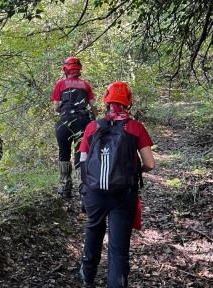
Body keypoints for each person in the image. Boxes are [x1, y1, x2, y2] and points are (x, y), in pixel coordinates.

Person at [78, 81, 155, 288]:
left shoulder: (92, 127)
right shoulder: (136, 127)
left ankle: (87, 275)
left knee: (94, 228)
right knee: (118, 247)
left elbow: (83, 161)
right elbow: (150, 163)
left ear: (106, 101)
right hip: (124, 195)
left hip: (94, 193)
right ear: (128, 102)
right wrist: (131, 171)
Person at [51, 56, 98, 199]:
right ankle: (83, 189)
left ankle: (65, 187)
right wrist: (95, 118)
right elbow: (93, 106)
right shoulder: (86, 85)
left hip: (64, 123)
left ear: (66, 69)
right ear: (79, 70)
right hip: (83, 122)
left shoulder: (60, 84)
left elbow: (56, 107)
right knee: (81, 155)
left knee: (64, 154)